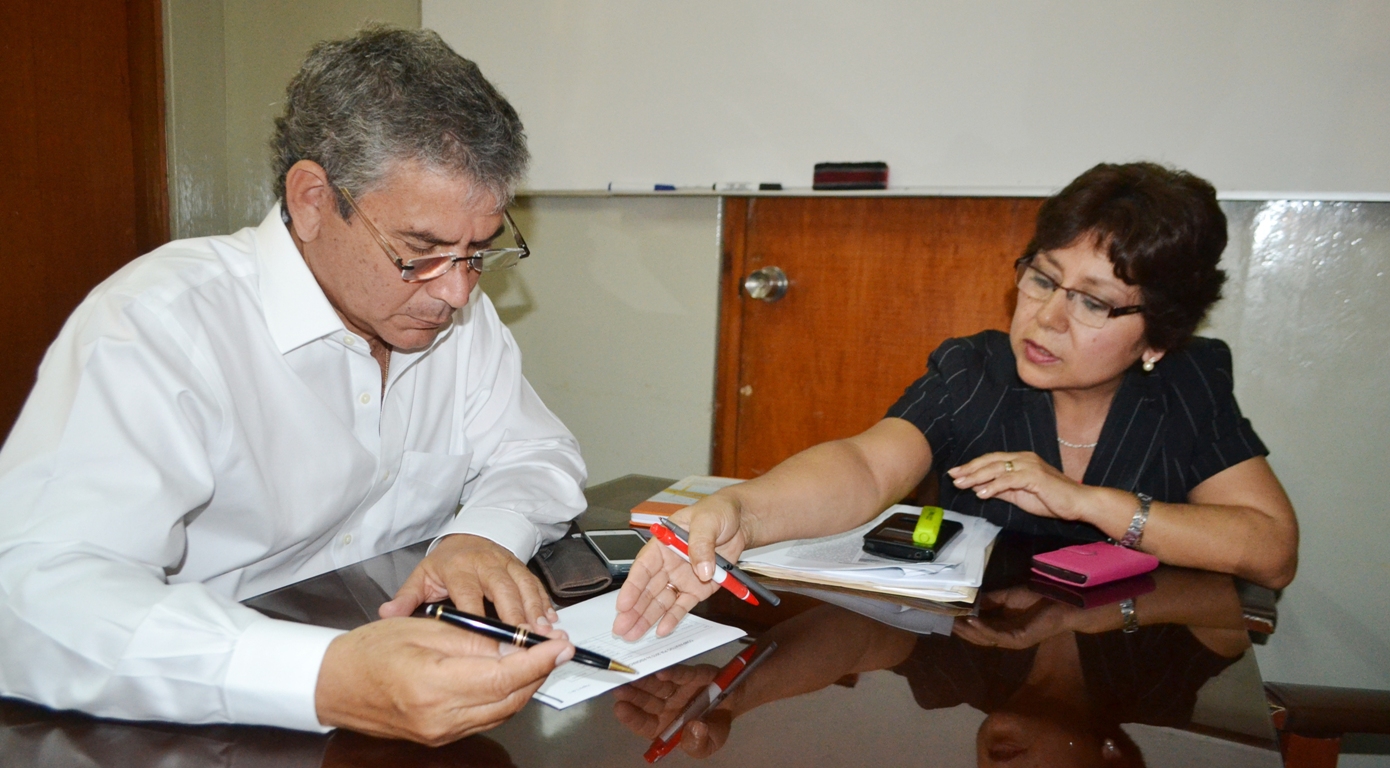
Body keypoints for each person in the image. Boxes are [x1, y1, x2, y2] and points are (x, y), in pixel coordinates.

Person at [0, 27, 584, 744]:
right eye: (420, 251)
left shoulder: (453, 313)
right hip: (195, 718)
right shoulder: (160, 325)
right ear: (311, 199)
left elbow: (538, 454)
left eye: (478, 252)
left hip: (399, 687)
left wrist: (479, 536)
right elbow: (32, 602)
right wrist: (323, 677)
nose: (458, 292)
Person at [614, 162, 1299, 640]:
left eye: (1093, 302)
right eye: (1042, 279)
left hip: (1138, 672)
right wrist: (741, 510)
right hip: (975, 658)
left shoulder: (1188, 385)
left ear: (1160, 334)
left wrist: (1088, 502)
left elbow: (1271, 549)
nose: (1047, 318)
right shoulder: (976, 371)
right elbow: (865, 466)